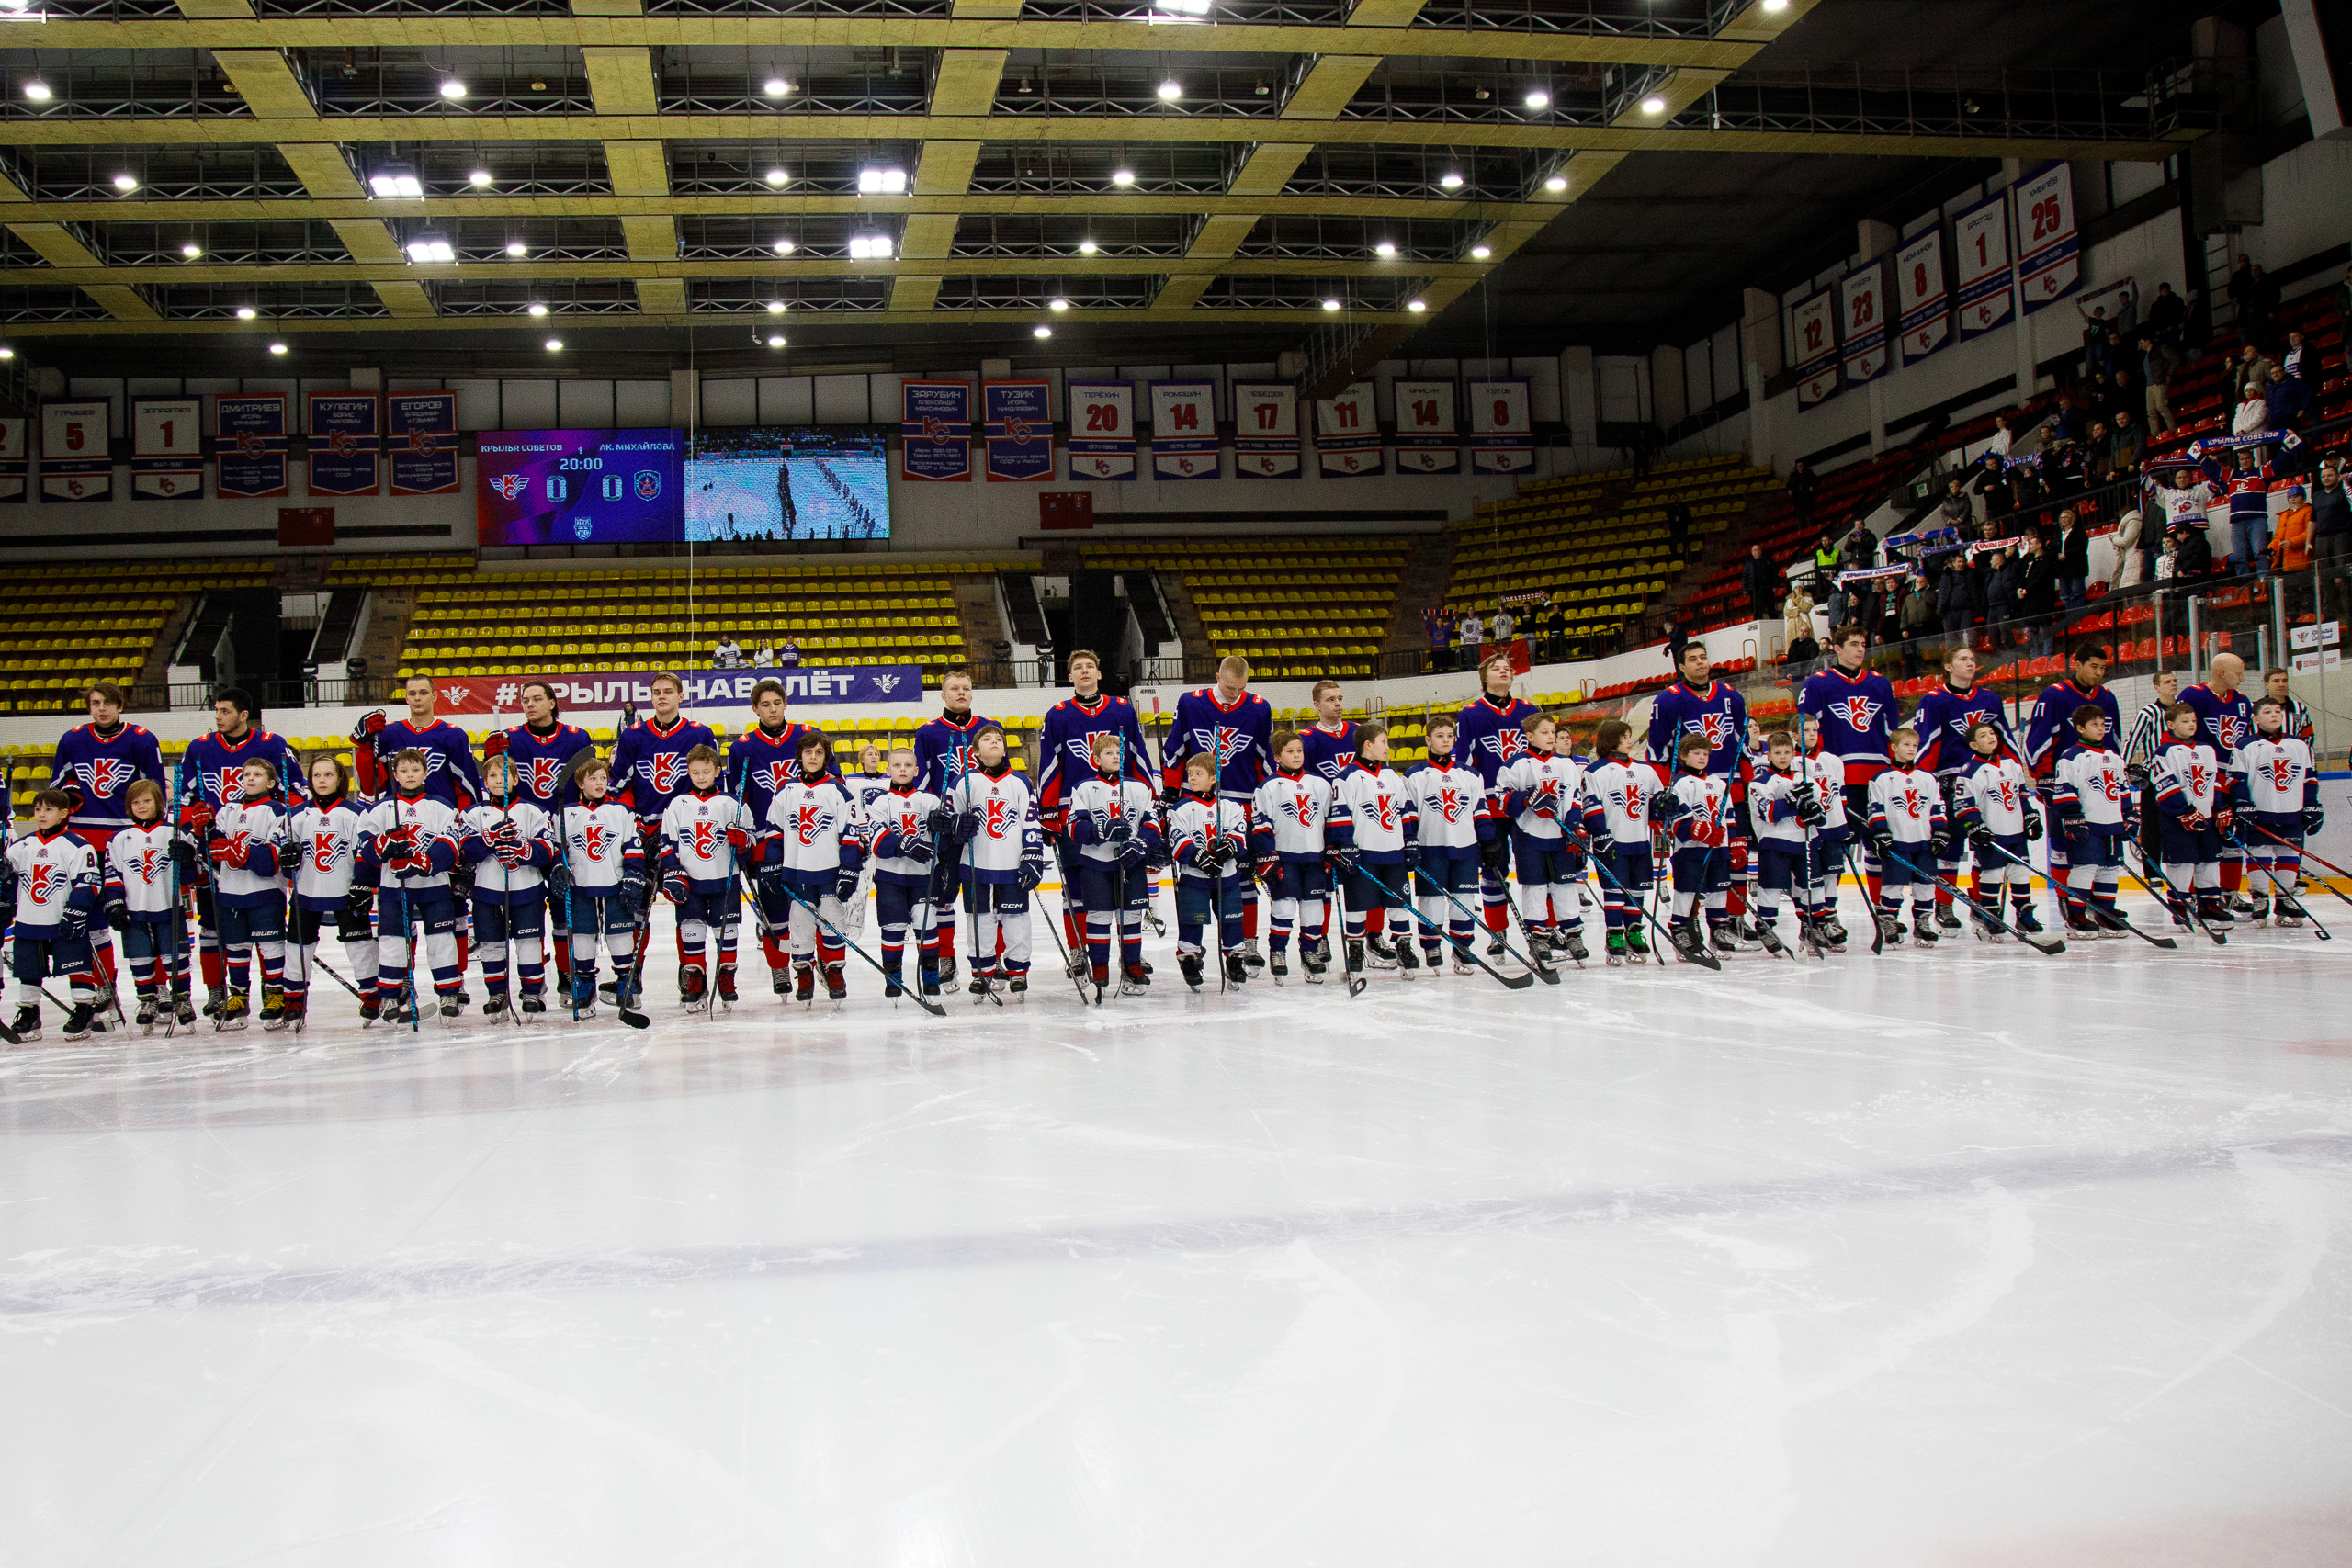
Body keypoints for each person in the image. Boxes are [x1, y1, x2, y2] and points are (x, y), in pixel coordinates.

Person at [178, 687, 305, 1016]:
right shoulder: (198, 748)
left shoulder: (273, 745)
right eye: (216, 710)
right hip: (214, 852)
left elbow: (296, 793)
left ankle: (271, 989)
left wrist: (286, 836)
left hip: (260, 853)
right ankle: (219, 990)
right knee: (214, 928)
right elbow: (185, 802)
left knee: (266, 930)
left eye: (225, 711)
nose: (218, 717)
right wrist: (196, 830)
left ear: (243, 714)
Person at [728, 678, 838, 994]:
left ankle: (820, 963)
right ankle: (779, 967)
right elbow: (738, 799)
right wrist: (746, 842)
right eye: (765, 704)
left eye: (777, 703)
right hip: (767, 843)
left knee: (815, 907)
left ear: (785, 703)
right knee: (774, 910)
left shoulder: (807, 736)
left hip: (809, 838)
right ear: (755, 709)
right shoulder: (743, 747)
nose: (772, 709)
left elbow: (834, 783)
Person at [1164, 655, 1274, 967]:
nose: (1234, 694)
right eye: (1229, 688)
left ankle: (1246, 943)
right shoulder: (1191, 702)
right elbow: (1175, 749)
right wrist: (1171, 791)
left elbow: (1263, 758)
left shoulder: (1259, 707)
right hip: (1196, 804)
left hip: (1241, 804)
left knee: (1243, 878)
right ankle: (1190, 946)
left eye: (1241, 688)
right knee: (1195, 876)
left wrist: (1266, 798)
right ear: (1217, 677)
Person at [1909, 645, 2018, 924]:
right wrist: (1923, 783)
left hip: (1988, 781)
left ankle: (1982, 904)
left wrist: (2013, 772)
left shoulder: (1990, 699)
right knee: (1950, 847)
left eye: (1972, 659)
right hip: (1952, 780)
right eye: (1962, 659)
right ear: (1948, 667)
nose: (1970, 663)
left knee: (1988, 844)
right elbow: (1927, 744)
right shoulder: (1934, 701)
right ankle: (1944, 906)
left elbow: (2004, 739)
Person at [756, 730, 864, 1004]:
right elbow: (774, 831)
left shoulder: (838, 790)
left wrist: (849, 868)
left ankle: (835, 971)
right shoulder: (786, 790)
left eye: (819, 753)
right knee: (800, 922)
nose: (813, 757)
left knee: (833, 920)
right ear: (800, 756)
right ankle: (804, 972)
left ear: (826, 757)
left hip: (829, 871)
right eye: (808, 752)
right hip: (797, 871)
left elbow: (851, 833)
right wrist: (772, 863)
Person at [357, 748, 464, 1023]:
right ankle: (390, 996)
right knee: (392, 942)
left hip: (434, 887)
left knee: (441, 941)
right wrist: (384, 845)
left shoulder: (441, 806)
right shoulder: (380, 809)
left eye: (416, 770)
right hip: (393, 889)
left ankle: (449, 993)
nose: (410, 775)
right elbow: (365, 847)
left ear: (426, 773)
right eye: (403, 771)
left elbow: (451, 844)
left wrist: (422, 861)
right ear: (395, 775)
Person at [1799, 624, 1897, 908]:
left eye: (1863, 644)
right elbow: (1807, 730)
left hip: (1878, 777)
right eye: (1854, 644)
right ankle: (1827, 909)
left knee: (1878, 844)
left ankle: (1882, 910)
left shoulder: (1880, 683)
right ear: (1837, 649)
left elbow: (1892, 730)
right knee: (1835, 847)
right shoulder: (1818, 684)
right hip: (1839, 780)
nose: (1861, 649)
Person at [459, 751, 560, 1018]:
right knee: (491, 945)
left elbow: (547, 850)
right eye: (492, 776)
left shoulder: (534, 811)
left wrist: (523, 849)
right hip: (487, 891)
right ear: (484, 782)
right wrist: (488, 839)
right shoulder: (473, 813)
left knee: (529, 942)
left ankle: (531, 992)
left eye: (505, 775)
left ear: (515, 779)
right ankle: (497, 993)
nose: (499, 780)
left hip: (527, 890)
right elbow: (466, 850)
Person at [1063, 728, 1159, 998]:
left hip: (1132, 863)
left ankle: (1131, 965)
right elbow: (1074, 826)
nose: (1116, 756)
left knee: (1131, 915)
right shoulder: (1084, 788)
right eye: (1109, 753)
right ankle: (1099, 966)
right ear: (1096, 759)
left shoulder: (1139, 788)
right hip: (1096, 862)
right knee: (1098, 916)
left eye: (1119, 752)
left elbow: (1153, 824)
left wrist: (1141, 845)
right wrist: (1101, 831)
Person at [283, 755, 377, 1030]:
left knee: (360, 945)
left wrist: (363, 883)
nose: (322, 780)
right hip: (306, 890)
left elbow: (365, 851)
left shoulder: (355, 813)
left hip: (346, 890)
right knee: (297, 946)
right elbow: (283, 853)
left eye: (328, 775)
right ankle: (294, 999)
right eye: (316, 775)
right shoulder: (297, 815)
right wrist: (286, 858)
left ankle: (372, 995)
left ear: (340, 779)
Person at [1454, 652, 1540, 953]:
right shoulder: (1471, 714)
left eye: (1507, 668)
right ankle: (1497, 931)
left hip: (1528, 804)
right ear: (1483, 678)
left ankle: (1540, 931)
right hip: (1490, 808)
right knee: (1494, 869)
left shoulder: (1529, 710)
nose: (1504, 671)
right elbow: (1463, 763)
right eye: (1496, 668)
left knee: (1536, 871)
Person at [656, 744, 752, 1012]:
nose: (700, 777)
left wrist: (743, 842)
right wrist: (673, 871)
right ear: (688, 772)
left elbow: (750, 842)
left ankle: (726, 977)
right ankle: (696, 980)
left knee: (727, 929)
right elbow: (667, 843)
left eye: (706, 772)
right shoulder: (677, 804)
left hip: (724, 879)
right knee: (691, 929)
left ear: (717, 771)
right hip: (691, 882)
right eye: (695, 772)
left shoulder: (732, 803)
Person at [554, 754, 649, 1025]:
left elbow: (633, 846)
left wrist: (634, 874)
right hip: (580, 885)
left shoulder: (621, 811)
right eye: (592, 778)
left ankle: (625, 982)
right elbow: (558, 849)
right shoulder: (566, 813)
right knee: (583, 934)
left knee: (620, 933)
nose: (599, 783)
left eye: (603, 778)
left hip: (614, 883)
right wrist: (558, 867)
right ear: (580, 784)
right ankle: (584, 984)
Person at [5, 789, 102, 1041]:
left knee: (76, 963)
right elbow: (8, 881)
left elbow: (89, 882)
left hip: (63, 919)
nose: (41, 814)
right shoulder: (21, 846)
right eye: (37, 809)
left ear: (63, 813)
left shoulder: (77, 845)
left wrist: (76, 910)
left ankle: (84, 1008)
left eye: (48, 809)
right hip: (29, 919)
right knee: (28, 968)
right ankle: (29, 1013)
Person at [1328, 722, 1418, 990]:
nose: (1388, 747)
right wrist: (1346, 845)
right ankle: (1355, 950)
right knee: (1357, 905)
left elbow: (1405, 810)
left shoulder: (1393, 776)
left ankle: (1403, 947)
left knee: (1399, 903)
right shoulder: (1347, 777)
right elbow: (1340, 814)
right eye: (1383, 742)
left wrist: (1410, 840)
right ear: (1368, 745)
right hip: (1364, 853)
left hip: (1394, 852)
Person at [102, 777, 196, 1033]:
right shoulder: (120, 838)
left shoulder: (175, 833)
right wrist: (114, 904)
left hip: (168, 907)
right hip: (135, 910)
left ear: (159, 803)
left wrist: (187, 859)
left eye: (147, 800)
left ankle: (182, 998)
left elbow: (189, 877)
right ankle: (147, 1000)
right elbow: (112, 875)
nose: (142, 806)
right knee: (139, 957)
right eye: (136, 802)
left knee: (175, 957)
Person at [1496, 711, 1589, 963]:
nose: (1551, 737)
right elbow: (1502, 799)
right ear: (1530, 736)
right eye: (1544, 733)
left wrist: (1575, 827)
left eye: (1553, 732)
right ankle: (1538, 936)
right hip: (1529, 836)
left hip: (1561, 836)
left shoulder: (1566, 764)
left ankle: (1573, 933)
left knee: (1565, 886)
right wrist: (1527, 798)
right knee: (1534, 887)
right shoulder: (1516, 764)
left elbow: (1575, 799)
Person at [1401, 716, 1487, 975]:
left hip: (1465, 847)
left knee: (1464, 900)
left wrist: (1488, 840)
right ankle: (1432, 946)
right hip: (1431, 848)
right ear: (1428, 740)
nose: (1446, 741)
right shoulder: (1414, 775)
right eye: (1440, 736)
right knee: (1432, 901)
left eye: (1450, 736)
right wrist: (1410, 840)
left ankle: (1463, 947)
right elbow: (1409, 814)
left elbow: (1480, 811)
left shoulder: (1470, 775)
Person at [860, 746, 946, 999]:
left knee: (926, 924)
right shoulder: (879, 803)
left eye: (908, 765)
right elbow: (876, 840)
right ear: (888, 770)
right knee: (893, 928)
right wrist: (903, 844)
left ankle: (931, 979)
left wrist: (945, 826)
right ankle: (893, 980)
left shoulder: (930, 801)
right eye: (897, 765)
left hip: (924, 877)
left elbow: (944, 841)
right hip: (890, 878)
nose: (902, 769)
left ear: (916, 770)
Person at [1250, 729, 1335, 983]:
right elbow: (1261, 826)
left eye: (1299, 751)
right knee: (1284, 907)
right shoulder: (1267, 787)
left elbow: (1331, 821)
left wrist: (1332, 850)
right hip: (1285, 857)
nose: (1297, 755)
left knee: (1314, 909)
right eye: (1290, 751)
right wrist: (1268, 856)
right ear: (1277, 757)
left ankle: (1310, 952)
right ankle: (1278, 951)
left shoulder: (1319, 784)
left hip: (1315, 858)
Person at [2177, 652, 2256, 908]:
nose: (2242, 678)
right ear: (2222, 673)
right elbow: (2179, 733)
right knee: (2200, 838)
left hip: (2233, 779)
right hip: (2202, 780)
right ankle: (2193, 896)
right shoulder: (2194, 695)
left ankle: (2230, 894)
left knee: (2233, 837)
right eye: (2239, 673)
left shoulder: (2242, 701)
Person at [1167, 751, 1252, 989]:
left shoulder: (1231, 806)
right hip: (1194, 878)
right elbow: (1177, 837)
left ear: (1214, 778)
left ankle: (1234, 959)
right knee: (1192, 921)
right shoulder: (1180, 808)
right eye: (1190, 774)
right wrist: (1198, 857)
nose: (1192, 778)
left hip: (1227, 877)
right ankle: (1188, 959)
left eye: (1199, 774)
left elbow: (1240, 832)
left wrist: (1230, 847)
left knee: (1232, 920)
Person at [1578, 718, 1661, 965]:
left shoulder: (1646, 770)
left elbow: (1656, 802)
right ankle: (1614, 934)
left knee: (1637, 888)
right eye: (1624, 737)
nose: (1629, 741)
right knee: (1615, 889)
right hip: (1612, 841)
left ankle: (1633, 931)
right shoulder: (1595, 771)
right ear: (1610, 739)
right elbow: (1591, 805)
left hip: (1639, 839)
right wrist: (1600, 833)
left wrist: (1665, 806)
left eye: (1629, 736)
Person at [1953, 719, 2044, 939]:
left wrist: (2031, 816)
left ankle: (2024, 914)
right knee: (1992, 874)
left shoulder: (2011, 764)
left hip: (2016, 832)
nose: (1990, 737)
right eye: (1983, 735)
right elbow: (1963, 804)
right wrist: (1975, 826)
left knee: (2020, 873)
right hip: (1991, 834)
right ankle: (1990, 914)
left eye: (1992, 733)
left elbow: (2022, 795)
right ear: (1974, 745)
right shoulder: (1970, 770)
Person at [2234, 695, 2320, 927]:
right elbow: (2236, 779)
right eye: (2267, 712)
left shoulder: (2299, 745)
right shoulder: (2245, 745)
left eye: (2277, 711)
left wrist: (2312, 804)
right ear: (2255, 719)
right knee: (2258, 851)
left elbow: (2310, 778)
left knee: (2289, 852)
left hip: (2292, 809)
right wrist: (2242, 803)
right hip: (2260, 810)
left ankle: (2285, 899)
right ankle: (2260, 898)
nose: (2274, 715)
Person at [2049, 706, 2132, 934]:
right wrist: (2074, 819)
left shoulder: (2115, 758)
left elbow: (2123, 790)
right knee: (2085, 867)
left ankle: (2105, 913)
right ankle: (2076, 915)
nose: (2101, 728)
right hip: (2088, 824)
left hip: (2112, 823)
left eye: (2103, 724)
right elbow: (2065, 792)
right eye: (2094, 724)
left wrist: (2129, 815)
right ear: (2080, 728)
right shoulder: (2071, 757)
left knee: (2110, 868)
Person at [1864, 728, 1948, 945]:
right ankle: (1889, 921)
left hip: (1924, 841)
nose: (1911, 749)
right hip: (1897, 842)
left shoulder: (1927, 778)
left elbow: (1937, 808)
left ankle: (1922, 922)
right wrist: (1881, 832)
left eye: (1915, 745)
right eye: (1906, 745)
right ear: (1893, 747)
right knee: (1893, 885)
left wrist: (1940, 831)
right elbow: (1875, 809)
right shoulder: (1882, 778)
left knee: (1926, 885)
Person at [2149, 703, 2229, 928]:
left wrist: (2220, 808)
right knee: (2182, 863)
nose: (2191, 725)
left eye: (2193, 720)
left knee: (2210, 860)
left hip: (2206, 817)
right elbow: (2165, 785)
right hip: (2177, 820)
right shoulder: (2164, 751)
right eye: (2185, 721)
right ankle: (2180, 907)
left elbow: (2214, 782)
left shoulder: (2207, 749)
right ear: (2171, 724)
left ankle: (2209, 904)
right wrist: (2184, 812)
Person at [352, 673, 484, 807]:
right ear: (406, 698)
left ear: (434, 696)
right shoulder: (387, 734)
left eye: (423, 693)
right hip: (397, 814)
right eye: (412, 693)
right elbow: (372, 787)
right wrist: (365, 746)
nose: (417, 698)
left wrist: (465, 816)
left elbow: (467, 787)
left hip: (441, 815)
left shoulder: (454, 736)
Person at [1743, 728, 1817, 957]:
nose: (1783, 757)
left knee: (1806, 887)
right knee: (1771, 886)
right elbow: (1769, 814)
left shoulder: (1805, 779)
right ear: (1769, 756)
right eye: (1777, 753)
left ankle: (1809, 927)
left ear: (1794, 753)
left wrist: (1815, 813)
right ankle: (1766, 925)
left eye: (1787, 752)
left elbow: (1818, 810)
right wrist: (1792, 800)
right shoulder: (1759, 783)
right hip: (1774, 841)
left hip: (1803, 840)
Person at [1662, 733, 1736, 958]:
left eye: (1705, 753)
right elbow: (1677, 819)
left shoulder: (1719, 783)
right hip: (1690, 850)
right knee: (1687, 890)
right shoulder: (1678, 783)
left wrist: (1735, 843)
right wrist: (1701, 832)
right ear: (1684, 755)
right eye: (1696, 753)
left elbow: (1729, 816)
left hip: (1719, 848)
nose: (1702, 757)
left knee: (1718, 889)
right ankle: (1680, 929)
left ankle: (1718, 930)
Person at [2125, 670, 2182, 770]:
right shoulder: (2148, 713)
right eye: (2167, 682)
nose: (2173, 684)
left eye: (2175, 681)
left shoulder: (2183, 710)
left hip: (2181, 770)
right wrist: (2123, 768)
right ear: (2157, 688)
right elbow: (2132, 742)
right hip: (2155, 771)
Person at [2312, 457, 2352, 571]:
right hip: (2321, 537)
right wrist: (2309, 541)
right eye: (2323, 476)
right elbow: (2313, 519)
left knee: (2343, 570)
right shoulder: (2317, 495)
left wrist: (2347, 481)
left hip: (2341, 534)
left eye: (2330, 475)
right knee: (2324, 572)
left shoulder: (2345, 490)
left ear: (2338, 476)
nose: (2326, 478)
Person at [2260, 666, 2315, 748]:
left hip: (2293, 754)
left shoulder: (2299, 709)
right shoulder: (2255, 709)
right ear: (2266, 684)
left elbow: (2308, 739)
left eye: (2285, 681)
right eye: (2276, 681)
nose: (2281, 685)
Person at [2269, 485, 2312, 575]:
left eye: (2296, 496)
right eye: (2290, 497)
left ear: (2303, 497)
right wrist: (2271, 548)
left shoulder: (2308, 511)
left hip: (2301, 559)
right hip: (2284, 560)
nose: (2292, 499)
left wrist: (2292, 542)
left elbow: (2309, 533)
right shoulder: (2284, 515)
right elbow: (2277, 537)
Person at [2054, 510, 2091, 607]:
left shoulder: (2079, 532)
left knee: (2077, 593)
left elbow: (2081, 547)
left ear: (2072, 519)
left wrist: (2066, 554)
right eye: (2061, 518)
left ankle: (2078, 615)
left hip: (2076, 568)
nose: (2063, 520)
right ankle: (2070, 616)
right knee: (2065, 596)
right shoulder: (2057, 534)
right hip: (2062, 569)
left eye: (2066, 517)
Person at [1742, 543, 1779, 623]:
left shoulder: (1768, 560)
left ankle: (1776, 623)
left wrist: (1775, 585)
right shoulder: (1748, 564)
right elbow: (1745, 577)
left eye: (1758, 549)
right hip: (1754, 591)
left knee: (1771, 608)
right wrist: (1745, 589)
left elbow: (1774, 574)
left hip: (1767, 589)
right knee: (1756, 610)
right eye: (1755, 550)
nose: (1757, 551)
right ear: (1752, 552)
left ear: (1761, 551)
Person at [1786, 457, 1818, 529]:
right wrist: (1789, 490)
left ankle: (1810, 528)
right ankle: (1801, 530)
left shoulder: (1808, 473)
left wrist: (1812, 486)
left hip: (1806, 496)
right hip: (1797, 498)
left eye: (1801, 466)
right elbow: (1789, 485)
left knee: (1808, 513)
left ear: (1803, 466)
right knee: (1799, 515)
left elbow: (1816, 480)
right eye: (1798, 466)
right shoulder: (1794, 475)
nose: (1800, 468)